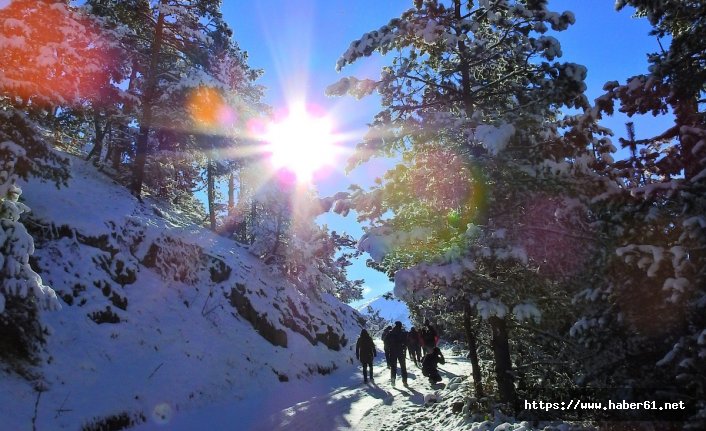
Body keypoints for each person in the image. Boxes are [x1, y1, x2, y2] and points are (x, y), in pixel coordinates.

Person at [384, 321, 408, 386]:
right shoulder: (402, 333)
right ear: (400, 325)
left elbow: (386, 342)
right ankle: (405, 381)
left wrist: (387, 351)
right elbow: (406, 342)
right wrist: (404, 347)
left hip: (392, 352)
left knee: (393, 367)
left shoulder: (390, 333)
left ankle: (393, 381)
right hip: (401, 352)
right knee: (403, 367)